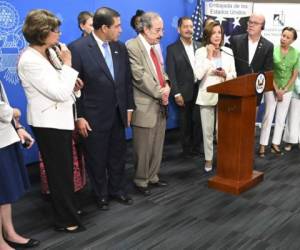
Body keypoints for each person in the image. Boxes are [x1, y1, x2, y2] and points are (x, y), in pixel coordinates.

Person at [18, 9, 84, 233]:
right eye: (55, 30)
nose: (59, 33)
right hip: (48, 123)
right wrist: (68, 64)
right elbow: (57, 92)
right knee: (59, 173)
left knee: (65, 171)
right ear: (42, 32)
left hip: (62, 119)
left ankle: (69, 210)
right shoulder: (29, 60)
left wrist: (73, 84)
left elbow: (63, 86)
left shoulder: (50, 52)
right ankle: (65, 219)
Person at [69, 7, 135, 210]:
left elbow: (126, 81)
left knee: (118, 155)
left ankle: (117, 190)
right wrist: (78, 116)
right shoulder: (78, 48)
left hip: (118, 113)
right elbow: (72, 87)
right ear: (104, 27)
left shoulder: (119, 48)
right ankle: (101, 195)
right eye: (117, 26)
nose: (121, 30)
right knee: (96, 158)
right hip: (92, 116)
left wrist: (129, 107)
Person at [126, 12, 170, 196]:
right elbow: (139, 76)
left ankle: (153, 176)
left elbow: (161, 71)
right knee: (142, 148)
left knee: (157, 144)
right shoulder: (132, 46)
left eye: (162, 29)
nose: (162, 34)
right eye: (158, 30)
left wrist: (167, 85)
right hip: (145, 105)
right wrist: (161, 93)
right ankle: (140, 180)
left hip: (160, 102)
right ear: (145, 29)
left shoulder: (154, 46)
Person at [0, 80, 40, 249]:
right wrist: (13, 112)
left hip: (5, 137)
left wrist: (18, 127)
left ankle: (9, 233)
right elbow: (5, 109)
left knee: (5, 192)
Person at [194, 21, 236, 172]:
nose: (217, 35)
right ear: (208, 35)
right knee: (207, 131)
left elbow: (234, 74)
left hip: (225, 96)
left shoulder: (228, 51)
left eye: (219, 32)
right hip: (207, 95)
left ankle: (223, 158)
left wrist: (225, 74)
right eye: (214, 33)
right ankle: (208, 159)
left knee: (222, 131)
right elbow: (198, 75)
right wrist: (209, 56)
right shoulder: (201, 52)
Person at [259, 27, 299, 156]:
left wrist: (285, 90)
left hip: (287, 89)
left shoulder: (297, 53)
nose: (284, 39)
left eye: (288, 37)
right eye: (283, 35)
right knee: (268, 116)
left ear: (292, 40)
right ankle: (262, 145)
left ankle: (275, 144)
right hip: (271, 87)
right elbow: (268, 72)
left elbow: (294, 74)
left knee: (281, 118)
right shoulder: (272, 50)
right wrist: (276, 89)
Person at [166, 16, 202, 158]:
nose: (189, 29)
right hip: (183, 91)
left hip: (199, 90)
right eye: (185, 27)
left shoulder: (200, 46)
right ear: (179, 29)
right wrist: (176, 93)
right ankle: (187, 149)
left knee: (198, 121)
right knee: (185, 122)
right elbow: (171, 73)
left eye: (191, 26)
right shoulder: (172, 49)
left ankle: (197, 147)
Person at [230, 13, 273, 108]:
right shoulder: (236, 40)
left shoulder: (268, 46)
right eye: (250, 22)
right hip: (235, 89)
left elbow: (267, 70)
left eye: (256, 23)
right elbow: (230, 65)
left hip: (254, 92)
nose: (251, 25)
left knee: (250, 122)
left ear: (262, 26)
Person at [283, 70, 300, 151]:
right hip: (296, 92)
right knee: (292, 118)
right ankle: (290, 141)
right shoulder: (296, 58)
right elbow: (294, 75)